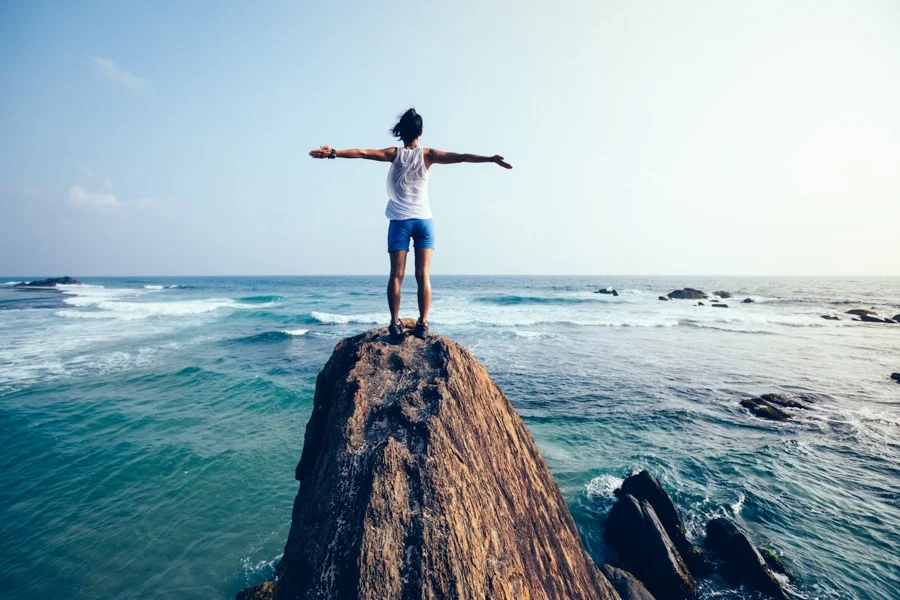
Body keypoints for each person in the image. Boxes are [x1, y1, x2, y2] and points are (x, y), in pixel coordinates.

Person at [309, 108, 512, 339]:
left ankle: (395, 324)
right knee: (423, 275)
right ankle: (423, 324)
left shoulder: (394, 154)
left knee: (396, 275)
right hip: (424, 221)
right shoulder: (429, 154)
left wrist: (334, 152)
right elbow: (463, 156)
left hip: (399, 222)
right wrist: (491, 159)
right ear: (421, 132)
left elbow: (363, 153)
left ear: (401, 132)